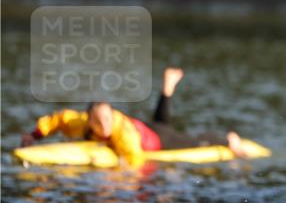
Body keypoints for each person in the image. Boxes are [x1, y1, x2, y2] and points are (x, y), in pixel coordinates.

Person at [21, 67, 248, 167]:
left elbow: (135, 160)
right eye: (99, 122)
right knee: (161, 122)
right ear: (88, 119)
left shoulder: (122, 133)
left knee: (192, 140)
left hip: (157, 141)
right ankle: (167, 88)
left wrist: (118, 175)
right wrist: (34, 136)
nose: (105, 125)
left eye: (108, 120)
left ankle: (230, 139)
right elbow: (55, 120)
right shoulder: (78, 121)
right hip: (146, 127)